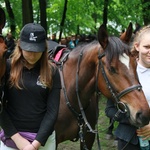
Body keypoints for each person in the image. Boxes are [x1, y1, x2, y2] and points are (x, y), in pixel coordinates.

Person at [0, 23, 61, 150]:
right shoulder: (6, 68)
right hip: (12, 138)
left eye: (36, 50)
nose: (32, 55)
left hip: (44, 140)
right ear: (20, 46)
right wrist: (18, 140)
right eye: (28, 50)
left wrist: (35, 144)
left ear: (44, 48)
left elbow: (52, 111)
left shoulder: (53, 72)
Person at [105, 25, 150, 150]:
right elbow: (109, 110)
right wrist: (134, 119)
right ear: (137, 46)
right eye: (147, 47)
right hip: (128, 140)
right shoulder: (124, 72)